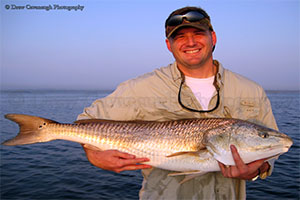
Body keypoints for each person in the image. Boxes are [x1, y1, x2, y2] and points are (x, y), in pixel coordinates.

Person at [78, 6, 278, 199]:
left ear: (213, 37)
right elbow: (86, 121)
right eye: (180, 37)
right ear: (169, 45)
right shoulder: (142, 87)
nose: (190, 42)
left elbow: (271, 146)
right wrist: (92, 154)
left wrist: (258, 168)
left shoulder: (250, 90)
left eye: (198, 34)